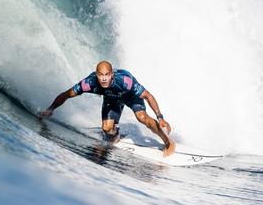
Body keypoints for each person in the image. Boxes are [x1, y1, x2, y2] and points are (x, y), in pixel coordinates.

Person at [38, 61, 175, 157]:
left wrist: (160, 117)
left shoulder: (125, 81)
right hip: (112, 99)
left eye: (107, 75)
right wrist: (51, 109)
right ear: (96, 74)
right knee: (106, 129)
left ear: (112, 74)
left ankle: (167, 142)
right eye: (100, 75)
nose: (103, 79)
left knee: (142, 117)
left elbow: (148, 96)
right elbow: (66, 94)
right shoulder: (89, 83)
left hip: (129, 96)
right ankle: (116, 134)